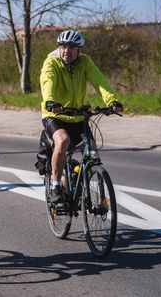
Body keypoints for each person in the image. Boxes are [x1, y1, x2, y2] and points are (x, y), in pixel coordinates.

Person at [40, 30, 123, 203]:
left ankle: (89, 186)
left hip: (78, 115)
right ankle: (56, 185)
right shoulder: (51, 62)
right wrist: (50, 102)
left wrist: (112, 101)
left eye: (71, 47)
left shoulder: (85, 62)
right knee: (63, 141)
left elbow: (100, 82)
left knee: (91, 148)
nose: (66, 51)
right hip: (55, 114)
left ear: (79, 50)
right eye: (63, 47)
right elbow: (48, 81)